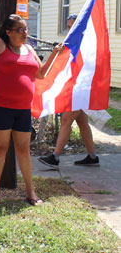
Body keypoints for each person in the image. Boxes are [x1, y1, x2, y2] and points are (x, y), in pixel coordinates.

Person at [0, 14, 63, 206]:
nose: (25, 33)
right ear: (8, 32)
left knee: (23, 150)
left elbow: (41, 74)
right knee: (0, 148)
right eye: (20, 29)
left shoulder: (29, 49)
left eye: (26, 29)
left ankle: (31, 192)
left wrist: (54, 54)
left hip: (23, 109)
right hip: (1, 107)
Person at [38, 14, 99, 169]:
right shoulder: (73, 41)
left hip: (82, 87)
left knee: (66, 119)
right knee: (82, 121)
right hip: (75, 87)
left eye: (73, 26)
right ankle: (92, 156)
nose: (70, 29)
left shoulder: (85, 42)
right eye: (69, 26)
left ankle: (55, 157)